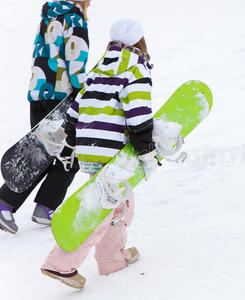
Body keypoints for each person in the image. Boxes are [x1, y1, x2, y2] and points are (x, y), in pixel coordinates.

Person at [41, 19, 159, 289]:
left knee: (117, 201)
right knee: (103, 207)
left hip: (89, 145)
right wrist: (146, 151)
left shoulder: (99, 67)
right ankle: (60, 263)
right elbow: (139, 114)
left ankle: (111, 259)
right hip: (113, 149)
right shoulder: (135, 68)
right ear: (140, 41)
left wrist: (69, 139)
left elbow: (76, 106)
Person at [0, 0, 90, 234]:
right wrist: (86, 90)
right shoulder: (74, 19)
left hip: (39, 91)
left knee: (40, 152)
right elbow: (76, 62)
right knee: (70, 153)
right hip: (60, 97)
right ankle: (45, 207)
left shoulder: (49, 16)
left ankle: (7, 204)